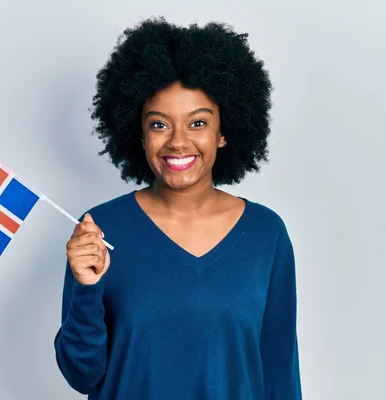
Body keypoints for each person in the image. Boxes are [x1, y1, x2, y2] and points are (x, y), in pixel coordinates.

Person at [53, 17, 302, 400]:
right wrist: (87, 289)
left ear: (223, 132)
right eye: (159, 125)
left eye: (197, 122)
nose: (178, 142)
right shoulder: (100, 229)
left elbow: (279, 375)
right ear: (138, 133)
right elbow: (82, 375)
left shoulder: (266, 234)